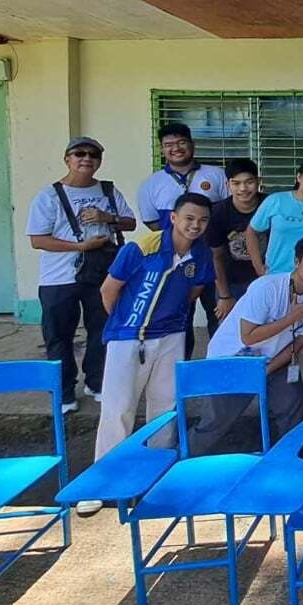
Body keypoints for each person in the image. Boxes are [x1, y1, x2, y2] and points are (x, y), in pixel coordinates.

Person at [78, 193, 215, 517]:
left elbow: (194, 290)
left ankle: (156, 476)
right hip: (128, 338)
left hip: (171, 337)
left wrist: (168, 322)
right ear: (173, 218)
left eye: (202, 220)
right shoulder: (142, 247)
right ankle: (103, 483)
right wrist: (130, 323)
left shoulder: (201, 253)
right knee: (118, 409)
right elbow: (109, 290)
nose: (195, 225)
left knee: (165, 407)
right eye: (189, 218)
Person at [190, 234, 303, 454]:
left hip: (273, 362)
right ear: (297, 261)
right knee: (217, 421)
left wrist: (268, 368)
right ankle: (184, 458)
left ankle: (286, 458)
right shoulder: (267, 287)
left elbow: (299, 342)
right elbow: (248, 336)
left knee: (292, 403)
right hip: (234, 359)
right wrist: (291, 318)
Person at [26, 136, 137, 414]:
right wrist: (79, 247)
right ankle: (64, 392)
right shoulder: (49, 196)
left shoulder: (108, 190)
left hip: (100, 272)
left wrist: (107, 218)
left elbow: (131, 222)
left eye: (93, 155)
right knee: (58, 335)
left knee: (101, 330)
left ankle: (97, 382)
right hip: (58, 277)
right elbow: (38, 240)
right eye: (80, 154)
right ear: (67, 159)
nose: (87, 158)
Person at [137, 122, 229, 359]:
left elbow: (229, 212)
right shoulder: (151, 184)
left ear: (192, 144)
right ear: (162, 149)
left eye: (181, 142)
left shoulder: (216, 175)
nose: (176, 148)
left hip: (214, 259)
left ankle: (219, 365)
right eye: (169, 144)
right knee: (179, 317)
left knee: (220, 315)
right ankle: (180, 368)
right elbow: (152, 223)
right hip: (175, 264)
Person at [209, 159, 266, 325]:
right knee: (229, 331)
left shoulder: (271, 205)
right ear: (228, 185)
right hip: (232, 283)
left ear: (258, 181)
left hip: (266, 280)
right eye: (236, 183)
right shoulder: (217, 213)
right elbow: (216, 256)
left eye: (249, 182)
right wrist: (224, 296)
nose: (243, 188)